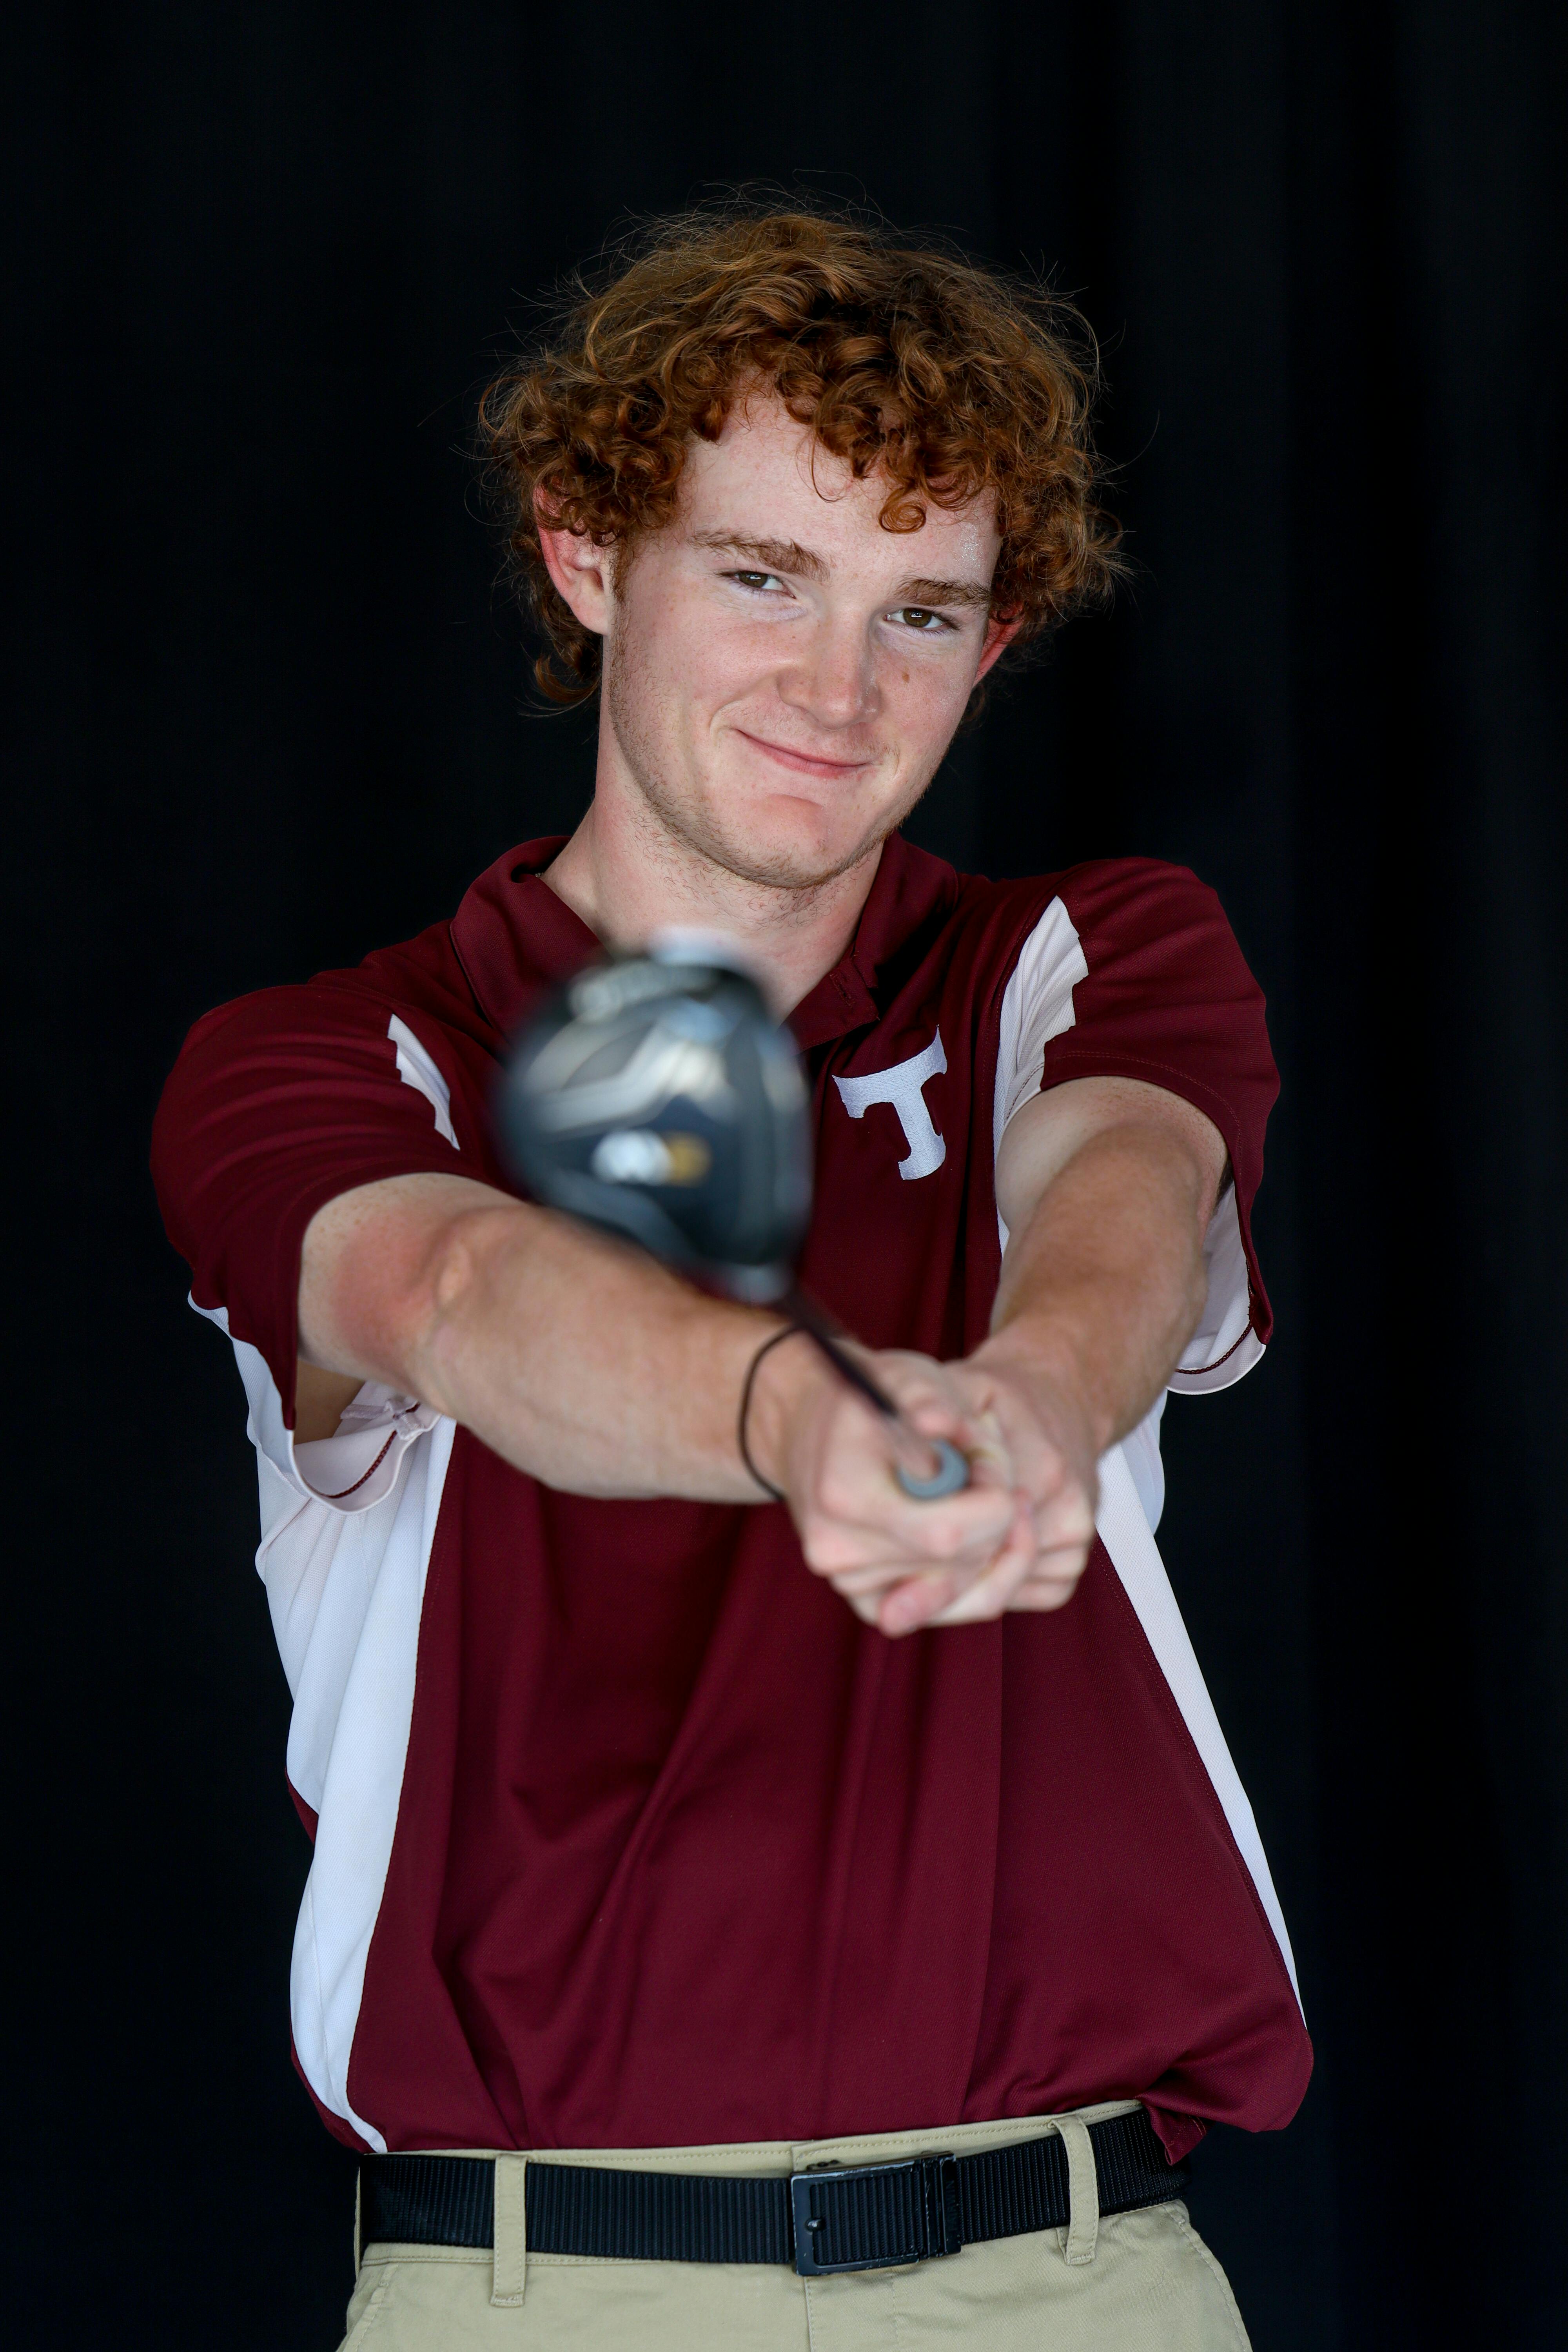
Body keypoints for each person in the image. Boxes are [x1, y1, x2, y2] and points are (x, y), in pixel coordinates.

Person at [153, 206, 1310, 2351]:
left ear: (993, 639)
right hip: (539, 2282)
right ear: (591, 553)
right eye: (763, 575)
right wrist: (807, 1417)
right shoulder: (332, 1059)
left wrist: (1035, 1404)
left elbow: (1121, 1204)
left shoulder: (1081, 956)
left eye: (923, 612)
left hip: (1075, 2272)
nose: (839, 688)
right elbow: (468, 1304)